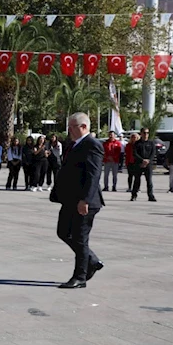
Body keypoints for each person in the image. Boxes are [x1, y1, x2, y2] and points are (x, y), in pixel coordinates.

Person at [50, 112, 105, 289]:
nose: (69, 130)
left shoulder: (92, 145)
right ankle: (92, 260)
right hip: (70, 200)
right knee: (63, 232)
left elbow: (93, 174)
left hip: (84, 201)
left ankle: (80, 276)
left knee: (80, 238)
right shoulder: (73, 145)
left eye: (72, 126)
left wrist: (85, 200)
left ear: (83, 127)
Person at [132, 127, 157, 202]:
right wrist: (142, 160)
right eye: (144, 133)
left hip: (148, 164)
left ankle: (150, 196)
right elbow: (135, 153)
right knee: (137, 180)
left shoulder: (151, 143)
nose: (146, 134)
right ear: (141, 134)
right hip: (139, 164)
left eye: (147, 133)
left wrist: (148, 160)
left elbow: (153, 153)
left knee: (149, 181)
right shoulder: (137, 143)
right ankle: (134, 195)